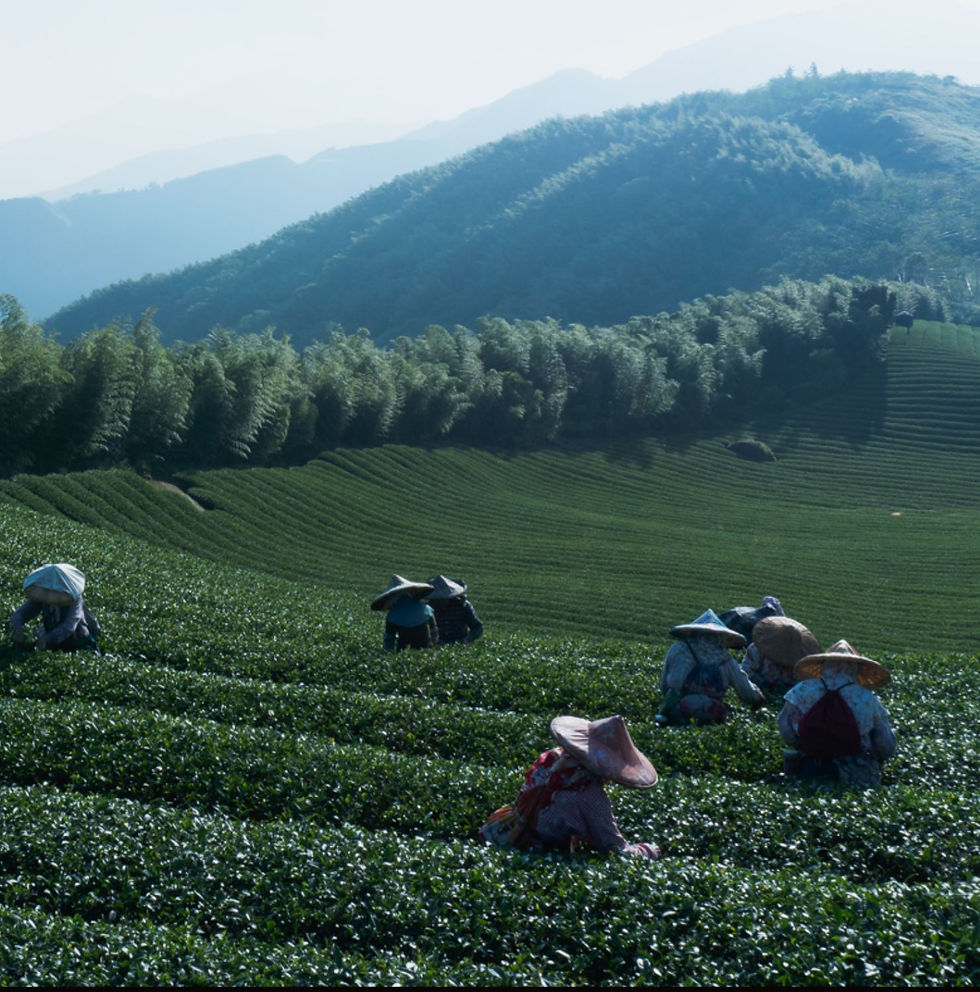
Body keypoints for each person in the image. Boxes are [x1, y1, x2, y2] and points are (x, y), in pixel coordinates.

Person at [479, 714, 661, 859]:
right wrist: (648, 850)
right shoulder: (589, 794)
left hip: (501, 830)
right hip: (534, 852)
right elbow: (614, 849)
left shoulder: (553, 757)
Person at [778, 640, 897, 788]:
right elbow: (884, 743)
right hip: (855, 771)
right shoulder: (866, 697)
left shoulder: (801, 690)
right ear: (855, 668)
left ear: (824, 665)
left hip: (809, 767)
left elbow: (785, 727)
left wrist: (803, 744)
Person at [656, 609, 764, 725]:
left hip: (678, 711)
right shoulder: (725, 659)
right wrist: (759, 697)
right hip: (712, 715)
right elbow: (746, 691)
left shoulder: (678, 650)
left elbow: (664, 686)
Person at [9, 562, 100, 652]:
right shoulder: (43, 595)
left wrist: (47, 639)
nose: (51, 593)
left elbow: (70, 625)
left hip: (77, 640)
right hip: (51, 637)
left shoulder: (74, 599)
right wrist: (18, 629)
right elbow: (21, 614)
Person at [741, 615, 821, 693]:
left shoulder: (800, 662)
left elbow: (802, 684)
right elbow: (746, 670)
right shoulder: (756, 650)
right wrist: (762, 683)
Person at [371, 574, 438, 651]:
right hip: (426, 650)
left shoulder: (392, 615)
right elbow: (434, 631)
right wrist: (433, 646)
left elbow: (389, 639)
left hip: (403, 651)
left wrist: (387, 654)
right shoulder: (426, 608)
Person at [425, 574, 483, 645]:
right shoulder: (428, 608)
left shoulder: (463, 606)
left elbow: (477, 627)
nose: (441, 601)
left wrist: (467, 639)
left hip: (460, 645)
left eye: (443, 598)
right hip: (437, 645)